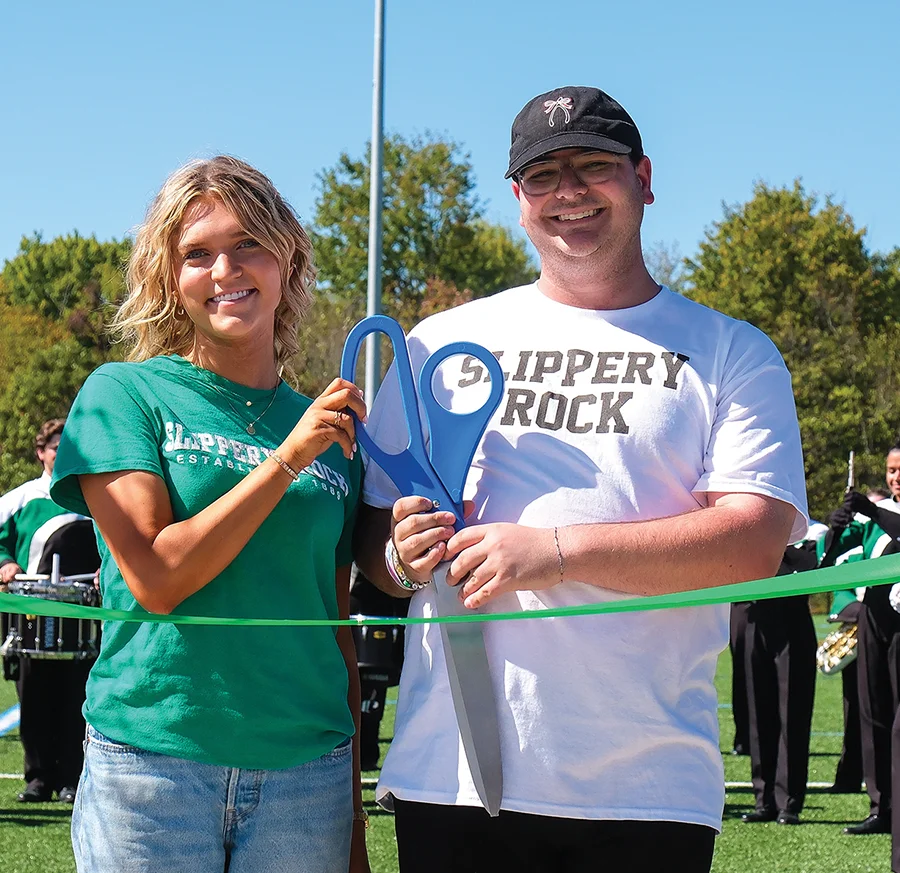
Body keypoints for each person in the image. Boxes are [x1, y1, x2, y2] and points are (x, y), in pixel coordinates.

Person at [354, 86, 808, 873]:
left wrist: (555, 551)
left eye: (594, 166)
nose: (569, 192)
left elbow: (754, 544)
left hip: (649, 788)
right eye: (542, 175)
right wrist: (402, 555)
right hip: (453, 778)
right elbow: (373, 551)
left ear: (644, 178)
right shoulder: (439, 343)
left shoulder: (732, 350)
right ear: (519, 201)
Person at [48, 156, 369, 872]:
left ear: (287, 255)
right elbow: (158, 576)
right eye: (197, 253)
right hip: (153, 770)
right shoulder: (122, 395)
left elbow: (336, 625)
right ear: (169, 278)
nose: (226, 268)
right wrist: (285, 458)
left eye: (248, 241)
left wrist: (351, 818)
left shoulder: (330, 431)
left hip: (308, 775)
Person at [0, 418, 99, 803]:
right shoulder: (20, 499)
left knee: (77, 696)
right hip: (30, 615)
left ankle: (73, 777)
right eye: (55, 446)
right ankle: (38, 778)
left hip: (81, 616)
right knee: (35, 695)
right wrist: (5, 563)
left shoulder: (93, 499)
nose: (61, 453)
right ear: (41, 452)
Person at [821, 445, 900, 836]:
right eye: (890, 470)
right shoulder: (876, 516)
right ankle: (881, 805)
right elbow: (829, 561)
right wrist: (836, 527)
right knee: (874, 714)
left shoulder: (883, 514)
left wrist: (875, 512)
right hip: (874, 619)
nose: (894, 477)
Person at [736, 522, 824, 825]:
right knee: (759, 715)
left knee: (793, 715)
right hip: (755, 617)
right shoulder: (748, 525)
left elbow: (810, 564)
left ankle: (789, 802)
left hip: (793, 622)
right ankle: (764, 800)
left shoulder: (813, 531)